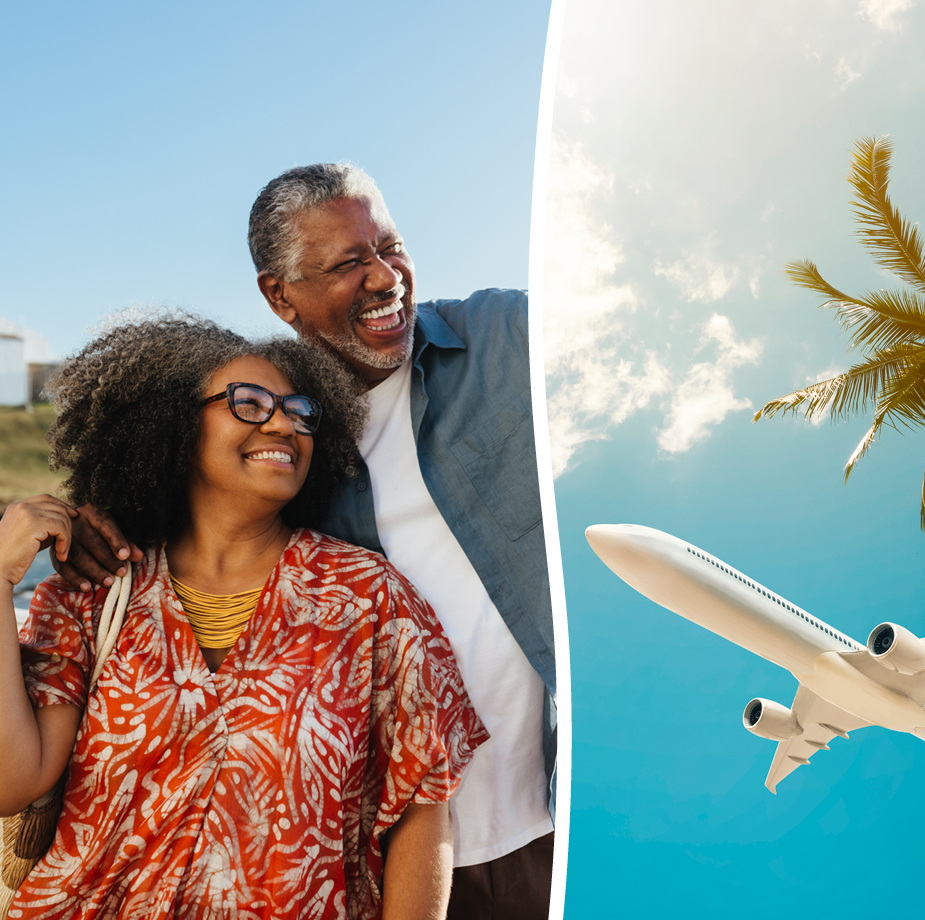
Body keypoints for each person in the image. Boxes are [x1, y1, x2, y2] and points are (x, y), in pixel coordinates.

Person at [57, 164, 558, 918]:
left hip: (552, 824)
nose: (385, 277)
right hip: (380, 863)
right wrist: (95, 518)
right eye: (349, 262)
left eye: (391, 246)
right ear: (278, 294)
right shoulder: (289, 454)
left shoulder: (507, 339)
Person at [3, 317, 485, 919]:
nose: (283, 423)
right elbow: (11, 782)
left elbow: (422, 806)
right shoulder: (92, 595)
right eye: (250, 403)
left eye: (299, 410)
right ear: (175, 423)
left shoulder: (368, 599)